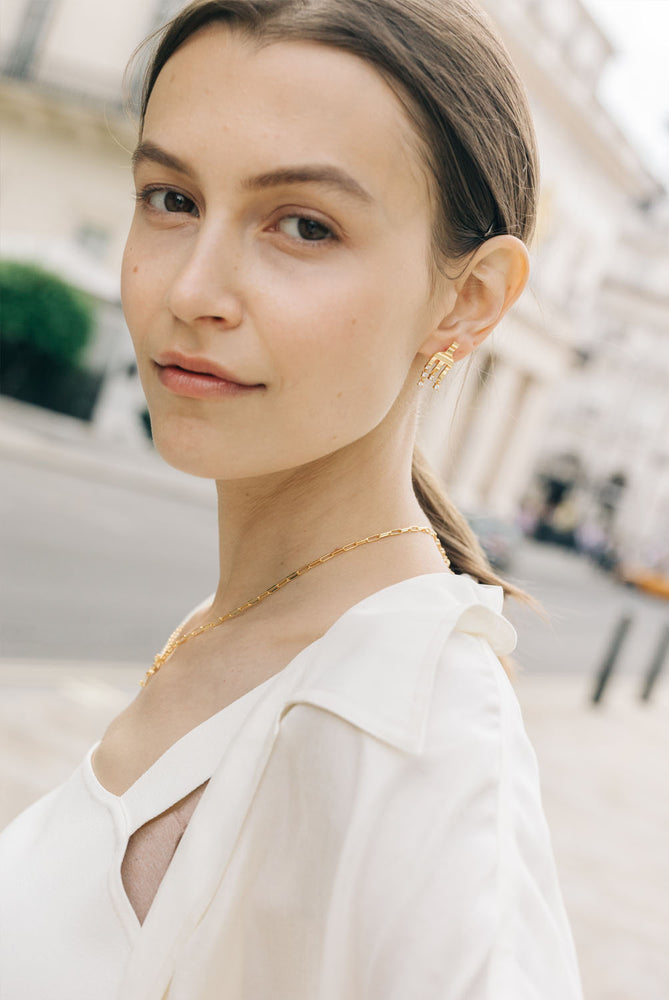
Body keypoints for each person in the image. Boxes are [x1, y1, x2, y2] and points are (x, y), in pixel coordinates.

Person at [0, 1, 585, 997]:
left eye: (304, 225)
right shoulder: (254, 621)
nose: (193, 287)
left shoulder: (415, 738)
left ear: (469, 298)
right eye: (170, 197)